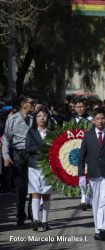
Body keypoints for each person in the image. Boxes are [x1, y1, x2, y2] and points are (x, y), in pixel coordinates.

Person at [78, 108, 105, 241]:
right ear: (93, 121)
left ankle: (103, 228)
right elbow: (81, 157)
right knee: (96, 202)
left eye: (103, 118)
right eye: (98, 119)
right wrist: (81, 175)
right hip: (93, 173)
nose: (100, 121)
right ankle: (97, 228)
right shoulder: (88, 135)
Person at [2, 96, 36, 225]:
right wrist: (6, 156)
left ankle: (32, 213)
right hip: (18, 154)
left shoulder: (34, 119)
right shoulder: (12, 119)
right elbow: (6, 138)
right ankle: (20, 215)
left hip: (32, 154)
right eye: (31, 102)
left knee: (34, 184)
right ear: (23, 104)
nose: (33, 104)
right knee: (20, 187)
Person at [25, 108, 53, 231]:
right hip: (34, 166)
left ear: (48, 118)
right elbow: (28, 148)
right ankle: (35, 220)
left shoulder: (52, 132)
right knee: (35, 193)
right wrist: (42, 149)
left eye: (44, 115)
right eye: (39, 116)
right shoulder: (31, 132)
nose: (42, 118)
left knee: (46, 194)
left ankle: (45, 221)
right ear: (35, 119)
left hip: (48, 167)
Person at [70, 98, 92, 211]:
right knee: (81, 173)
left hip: (88, 149)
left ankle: (86, 197)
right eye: (77, 107)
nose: (80, 108)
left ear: (85, 107)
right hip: (75, 150)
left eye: (82, 106)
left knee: (88, 173)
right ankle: (84, 196)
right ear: (74, 108)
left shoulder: (90, 119)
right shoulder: (71, 120)